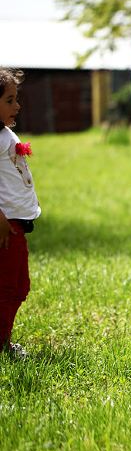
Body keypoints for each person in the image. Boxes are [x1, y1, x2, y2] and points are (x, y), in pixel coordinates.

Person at [0, 68, 41, 358]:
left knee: (18, 285)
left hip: (15, 224)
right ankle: (2, 345)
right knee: (9, 287)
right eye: (9, 100)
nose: (17, 106)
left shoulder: (4, 133)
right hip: (5, 226)